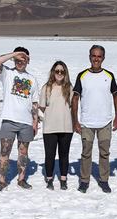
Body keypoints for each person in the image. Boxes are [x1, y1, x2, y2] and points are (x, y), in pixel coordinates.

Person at [72, 45, 117, 194]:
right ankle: (84, 181)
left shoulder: (109, 75)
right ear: (89, 57)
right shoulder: (82, 75)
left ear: (103, 58)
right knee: (86, 153)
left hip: (105, 122)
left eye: (99, 56)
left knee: (104, 153)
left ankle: (104, 180)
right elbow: (75, 98)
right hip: (87, 122)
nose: (96, 59)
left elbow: (116, 96)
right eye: (94, 56)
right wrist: (75, 121)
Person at [0, 47, 39, 192]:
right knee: (5, 151)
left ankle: (21, 179)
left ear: (28, 60)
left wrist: (35, 121)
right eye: (17, 60)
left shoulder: (32, 79)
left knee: (23, 153)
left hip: (26, 122)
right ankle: (1, 181)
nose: (20, 62)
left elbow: (34, 102)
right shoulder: (7, 73)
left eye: (23, 59)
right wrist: (14, 54)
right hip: (9, 119)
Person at [39, 61, 73, 190]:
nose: (59, 74)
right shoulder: (46, 88)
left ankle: (63, 179)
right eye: (57, 71)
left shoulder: (69, 88)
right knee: (50, 154)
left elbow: (72, 106)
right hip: (50, 127)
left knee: (64, 154)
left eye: (62, 71)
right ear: (53, 72)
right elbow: (42, 106)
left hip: (66, 126)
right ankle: (49, 179)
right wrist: (52, 114)